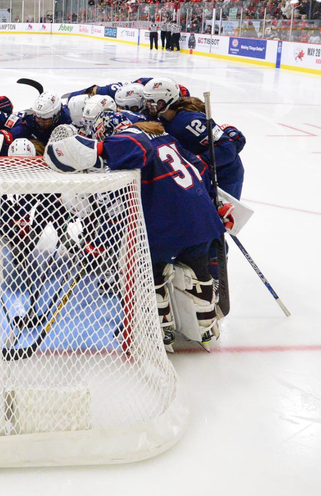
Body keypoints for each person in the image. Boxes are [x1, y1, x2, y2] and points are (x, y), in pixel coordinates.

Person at [44, 110, 228, 352]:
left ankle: (159, 332)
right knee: (197, 272)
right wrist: (216, 204)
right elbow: (200, 170)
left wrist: (99, 151)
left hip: (168, 225)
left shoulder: (131, 135)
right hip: (203, 217)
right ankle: (204, 326)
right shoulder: (167, 138)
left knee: (149, 276)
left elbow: (138, 148)